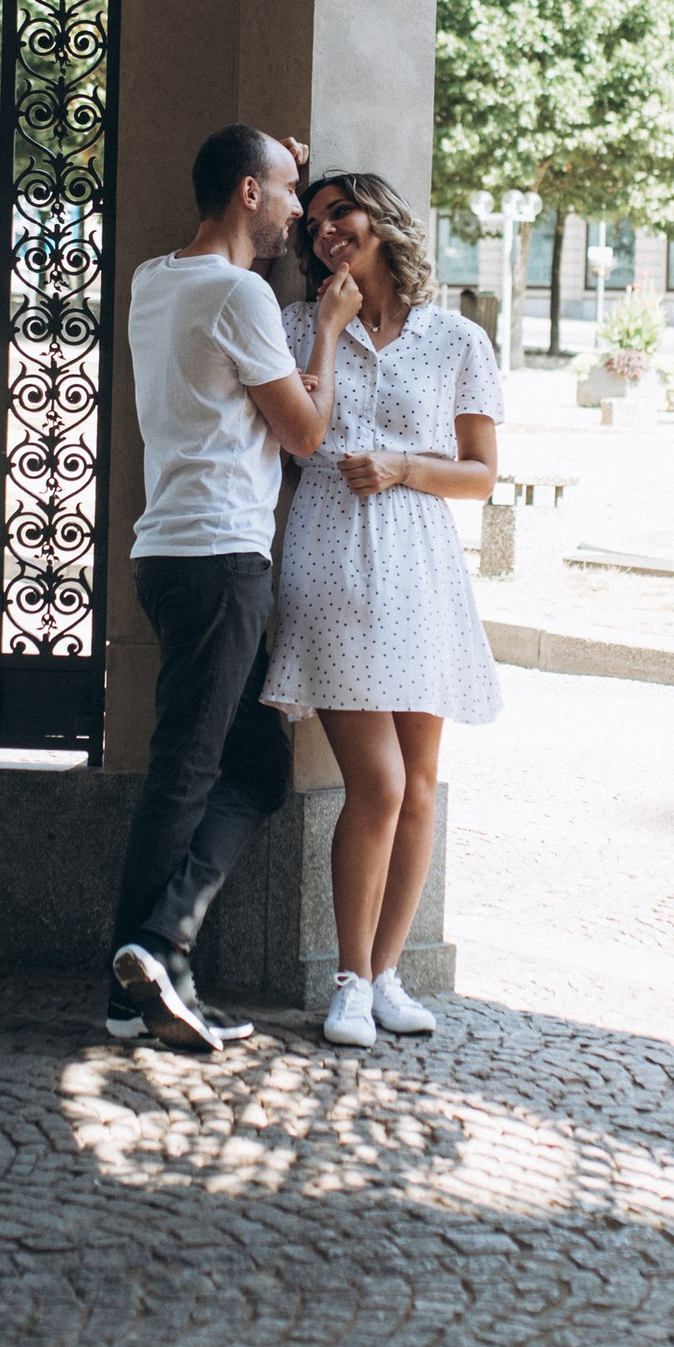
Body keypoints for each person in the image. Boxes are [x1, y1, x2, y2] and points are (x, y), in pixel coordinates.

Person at [107, 124, 356, 1052]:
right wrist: (327, 331)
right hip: (221, 559)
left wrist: (274, 155)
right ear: (249, 193)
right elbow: (306, 433)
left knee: (250, 767)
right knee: (192, 767)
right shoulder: (240, 293)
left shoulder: (153, 279)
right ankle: (151, 956)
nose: (299, 212)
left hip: (170, 554)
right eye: (289, 192)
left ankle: (147, 963)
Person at [263, 172, 502, 1053]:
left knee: (420, 786)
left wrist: (404, 466)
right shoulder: (295, 325)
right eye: (313, 222)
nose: (325, 230)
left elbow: (481, 474)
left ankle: (390, 973)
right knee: (381, 783)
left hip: (423, 566)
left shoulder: (457, 339)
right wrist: (328, 330)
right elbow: (299, 440)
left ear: (384, 220)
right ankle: (350, 981)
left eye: (342, 213)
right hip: (331, 556)